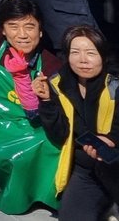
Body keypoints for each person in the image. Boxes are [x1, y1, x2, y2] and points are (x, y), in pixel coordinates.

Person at [0, 0, 63, 214]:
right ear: (3, 31)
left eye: (30, 27)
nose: (22, 34)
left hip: (32, 125)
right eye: (13, 27)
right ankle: (7, 194)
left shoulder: (52, 65)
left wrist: (44, 98)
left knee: (53, 145)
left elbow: (44, 116)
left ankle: (40, 196)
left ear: (41, 31)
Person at [36, 26, 119, 220]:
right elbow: (59, 134)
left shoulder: (115, 83)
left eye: (91, 53)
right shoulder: (58, 84)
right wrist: (46, 101)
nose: (83, 60)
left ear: (103, 55)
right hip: (87, 170)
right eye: (75, 52)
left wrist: (111, 140)